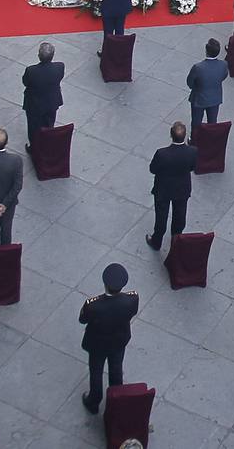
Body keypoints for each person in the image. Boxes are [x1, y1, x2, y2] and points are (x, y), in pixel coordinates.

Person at [79, 263, 138, 414]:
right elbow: (132, 312)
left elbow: (82, 319)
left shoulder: (93, 305)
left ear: (105, 284)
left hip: (97, 344)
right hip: (119, 341)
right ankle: (116, 400)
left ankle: (94, 400)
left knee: (96, 371)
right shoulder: (132, 299)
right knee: (116, 369)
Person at [145, 122, 197, 250]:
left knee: (161, 215)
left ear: (171, 135)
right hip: (182, 189)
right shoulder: (192, 151)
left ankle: (157, 241)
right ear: (184, 136)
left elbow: (153, 169)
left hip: (163, 189)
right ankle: (177, 239)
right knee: (180, 214)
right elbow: (193, 167)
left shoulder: (162, 154)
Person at [20, 41, 64, 145]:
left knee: (33, 126)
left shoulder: (31, 71)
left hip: (34, 104)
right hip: (52, 102)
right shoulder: (60, 67)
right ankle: (47, 142)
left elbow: (25, 82)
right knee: (49, 123)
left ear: (39, 55)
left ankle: (34, 146)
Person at [185, 39, 229, 126]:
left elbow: (189, 82)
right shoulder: (223, 64)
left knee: (196, 123)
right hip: (215, 98)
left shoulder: (198, 67)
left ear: (206, 51)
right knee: (212, 123)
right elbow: (224, 76)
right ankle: (210, 139)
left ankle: (195, 138)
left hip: (199, 99)